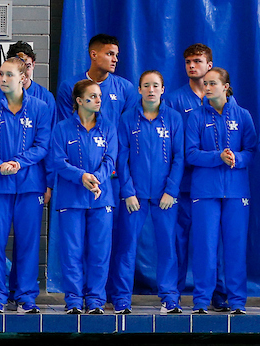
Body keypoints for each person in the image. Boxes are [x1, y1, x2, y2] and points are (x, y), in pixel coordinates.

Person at [0, 57, 51, 314]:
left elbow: (42, 146)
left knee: (28, 243)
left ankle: (25, 297)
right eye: (0, 74)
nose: (3, 79)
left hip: (30, 186)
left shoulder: (40, 108)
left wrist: (18, 163)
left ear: (23, 78)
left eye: (8, 74)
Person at [109, 70, 183, 314]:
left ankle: (169, 298)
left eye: (156, 85)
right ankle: (122, 298)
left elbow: (179, 157)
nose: (151, 90)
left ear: (163, 89)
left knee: (168, 246)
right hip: (135, 196)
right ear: (139, 89)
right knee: (127, 246)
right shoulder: (127, 119)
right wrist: (128, 191)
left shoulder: (173, 118)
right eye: (146, 85)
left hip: (165, 196)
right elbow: (121, 158)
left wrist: (171, 190)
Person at [185, 67, 255, 315]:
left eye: (212, 83)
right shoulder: (196, 117)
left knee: (235, 247)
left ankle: (237, 302)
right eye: (205, 83)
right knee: (205, 246)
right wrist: (218, 157)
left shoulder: (243, 115)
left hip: (236, 191)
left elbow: (251, 150)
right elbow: (190, 153)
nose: (207, 87)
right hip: (205, 191)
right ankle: (201, 301)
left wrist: (237, 158)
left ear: (225, 87)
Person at [49, 79, 117, 314]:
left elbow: (110, 160)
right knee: (72, 252)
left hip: (101, 198)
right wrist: (81, 176)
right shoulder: (62, 128)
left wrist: (96, 178)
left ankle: (96, 300)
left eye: (99, 96)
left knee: (100, 252)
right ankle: (74, 300)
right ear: (79, 100)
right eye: (93, 96)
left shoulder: (108, 128)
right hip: (71, 199)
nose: (98, 100)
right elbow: (58, 161)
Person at [166, 43, 223, 307]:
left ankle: (217, 294)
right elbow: (170, 145)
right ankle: (173, 296)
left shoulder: (220, 99)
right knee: (178, 241)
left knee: (211, 242)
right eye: (188, 61)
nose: (191, 66)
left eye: (197, 61)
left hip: (212, 186)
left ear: (209, 65)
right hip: (184, 185)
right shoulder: (174, 100)